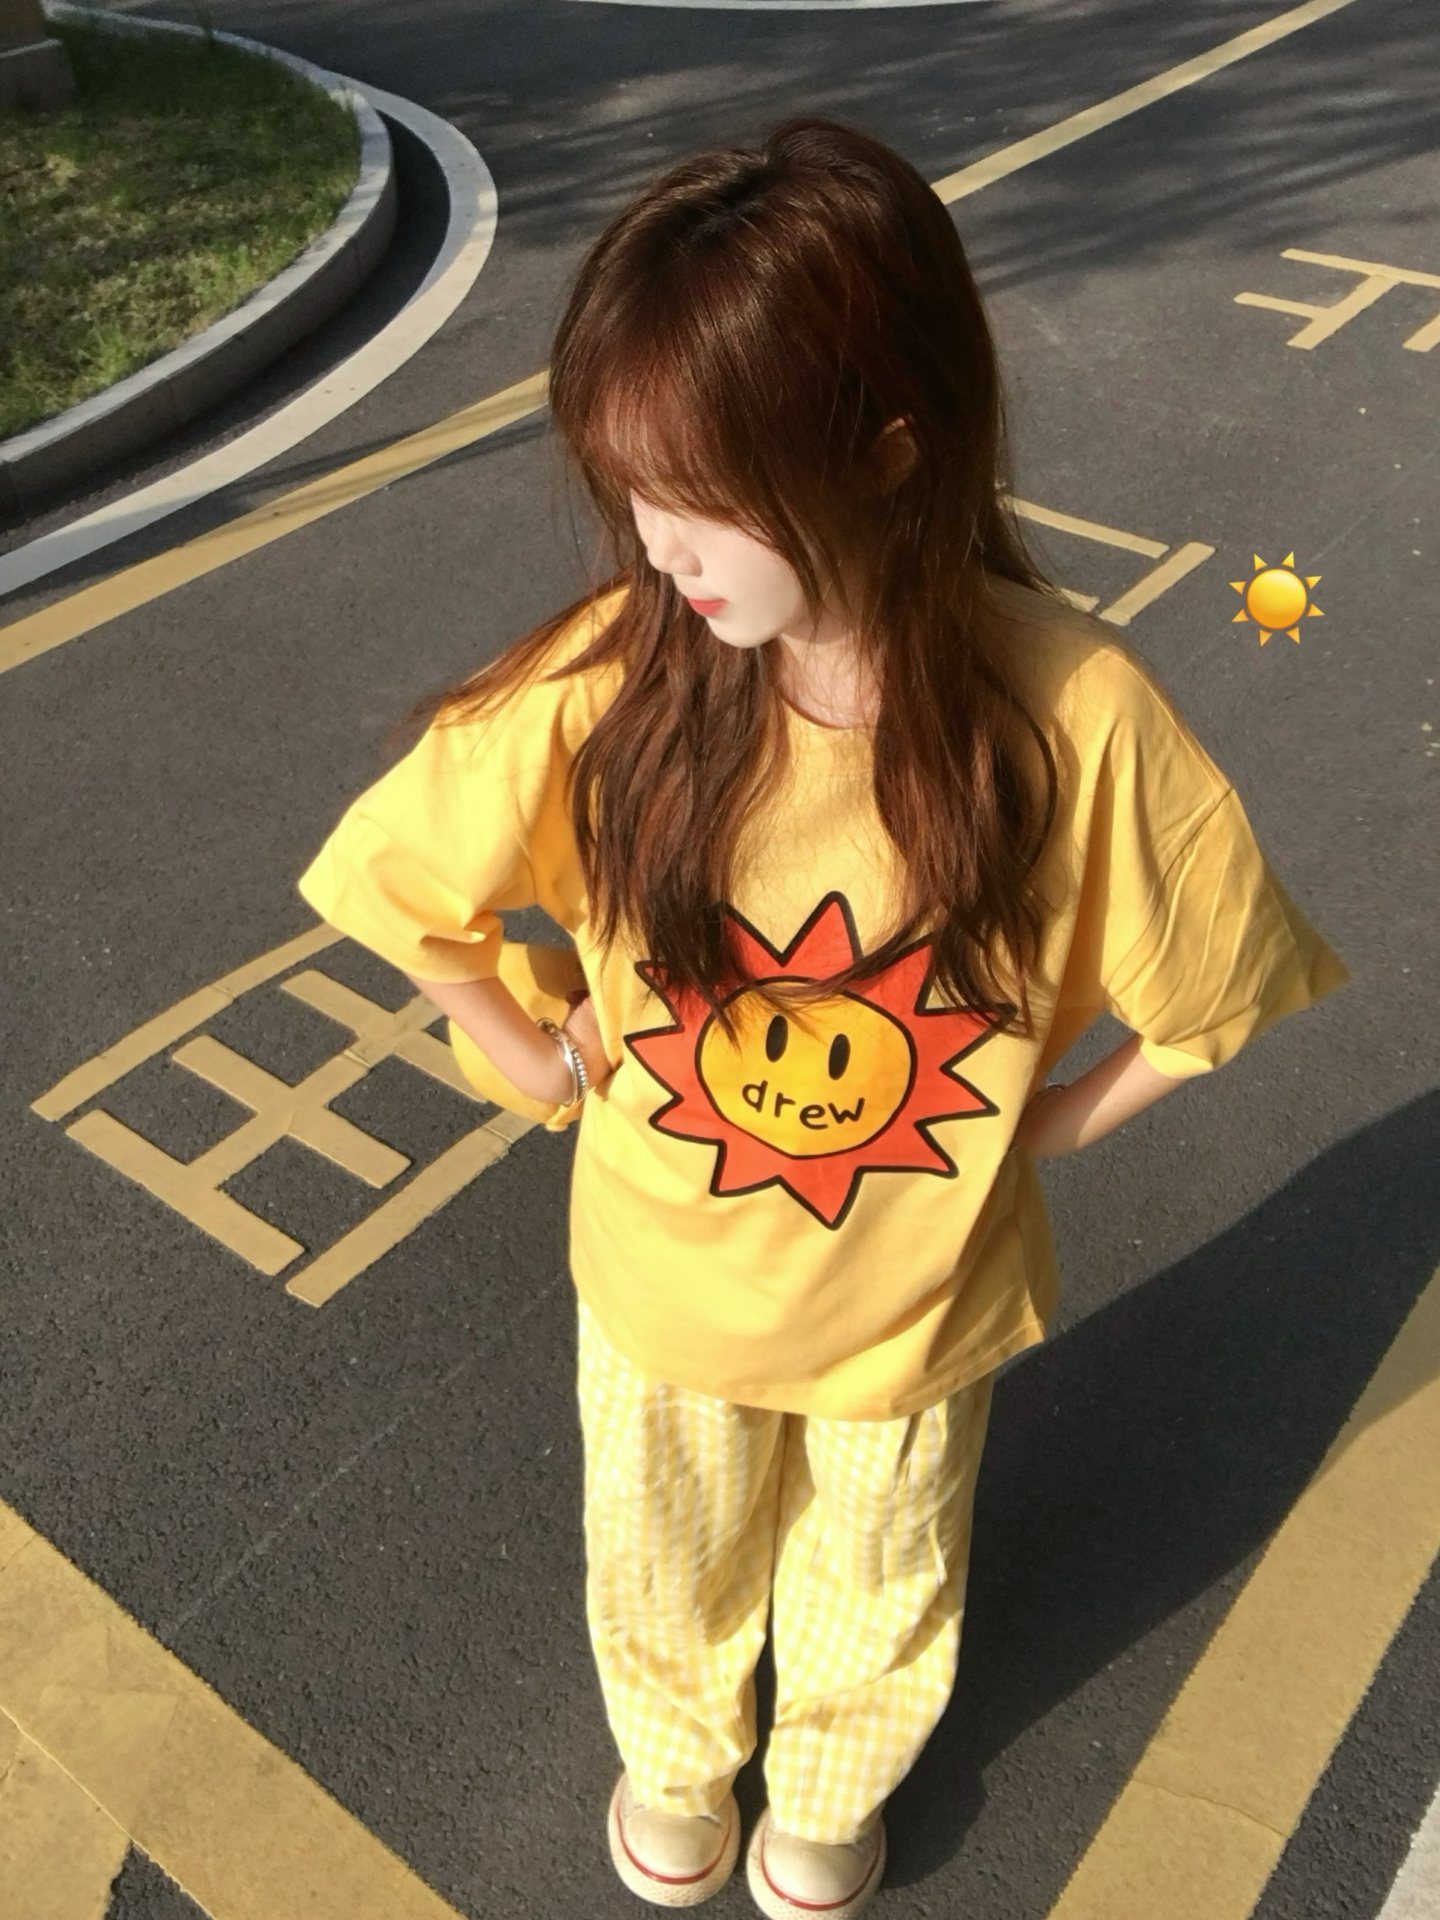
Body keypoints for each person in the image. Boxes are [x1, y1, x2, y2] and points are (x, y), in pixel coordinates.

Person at [298, 119, 1347, 1918]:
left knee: (883, 1570)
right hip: (664, 1287)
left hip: (911, 1311)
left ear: (888, 453)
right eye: (632, 488)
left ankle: (830, 1788)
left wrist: (1042, 1129)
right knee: (663, 1554)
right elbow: (403, 881)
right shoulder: (622, 676)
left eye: (705, 497)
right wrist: (533, 1056)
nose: (661, 546)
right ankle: (676, 1762)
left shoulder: (1070, 710)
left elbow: (1212, 989)